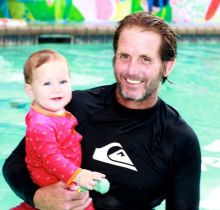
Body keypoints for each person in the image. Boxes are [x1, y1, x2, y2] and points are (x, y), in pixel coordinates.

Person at [3, 12, 201, 210]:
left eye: (145, 59)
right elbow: (14, 164)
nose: (131, 70)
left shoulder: (180, 141)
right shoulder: (74, 106)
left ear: (167, 66)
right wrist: (38, 197)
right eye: (124, 56)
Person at [10, 49, 106, 210]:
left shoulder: (57, 111)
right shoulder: (41, 124)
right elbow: (51, 159)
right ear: (30, 91)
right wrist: (79, 175)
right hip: (52, 183)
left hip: (65, 179)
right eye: (47, 83)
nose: (57, 89)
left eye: (63, 82)